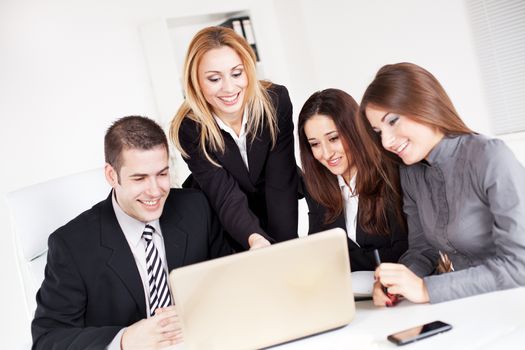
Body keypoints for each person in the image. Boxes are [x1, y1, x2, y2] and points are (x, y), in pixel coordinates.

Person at [32, 116, 232, 349]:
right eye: (139, 178)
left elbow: (228, 281)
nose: (155, 191)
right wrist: (125, 340)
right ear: (111, 175)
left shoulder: (197, 209)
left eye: (162, 174)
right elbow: (48, 339)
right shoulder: (72, 245)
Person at [360, 62, 525, 305]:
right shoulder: (410, 172)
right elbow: (423, 249)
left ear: (425, 104)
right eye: (378, 131)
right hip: (460, 307)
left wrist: (427, 289)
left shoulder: (490, 156)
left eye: (392, 121)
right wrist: (398, 282)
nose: (386, 142)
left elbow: (519, 266)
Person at [170, 26, 299, 251]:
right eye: (214, 79)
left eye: (237, 73)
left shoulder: (276, 101)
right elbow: (224, 195)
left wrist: (284, 250)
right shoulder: (190, 128)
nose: (229, 88)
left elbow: (281, 180)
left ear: (248, 70)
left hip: (275, 203)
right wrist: (255, 238)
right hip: (224, 220)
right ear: (196, 82)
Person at [297, 88, 407, 271]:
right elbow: (318, 256)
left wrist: (343, 260)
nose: (326, 153)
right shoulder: (317, 188)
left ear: (354, 131)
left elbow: (402, 253)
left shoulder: (392, 174)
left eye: (333, 138)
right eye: (315, 144)